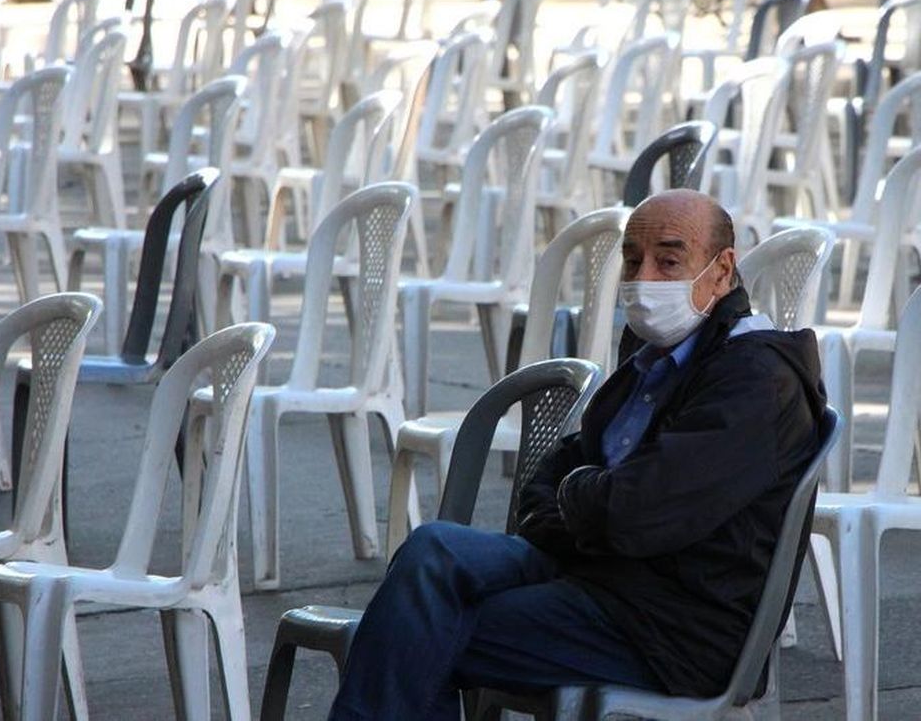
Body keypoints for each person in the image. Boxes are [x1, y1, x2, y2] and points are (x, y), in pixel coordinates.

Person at [328, 189, 827, 720]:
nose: (644, 279)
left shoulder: (754, 379)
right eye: (632, 261)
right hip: (598, 571)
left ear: (722, 270)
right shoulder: (655, 354)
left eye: (669, 261)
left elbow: (639, 511)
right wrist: (586, 507)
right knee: (433, 552)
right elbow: (558, 472)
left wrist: (582, 501)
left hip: (670, 626)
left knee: (417, 629)